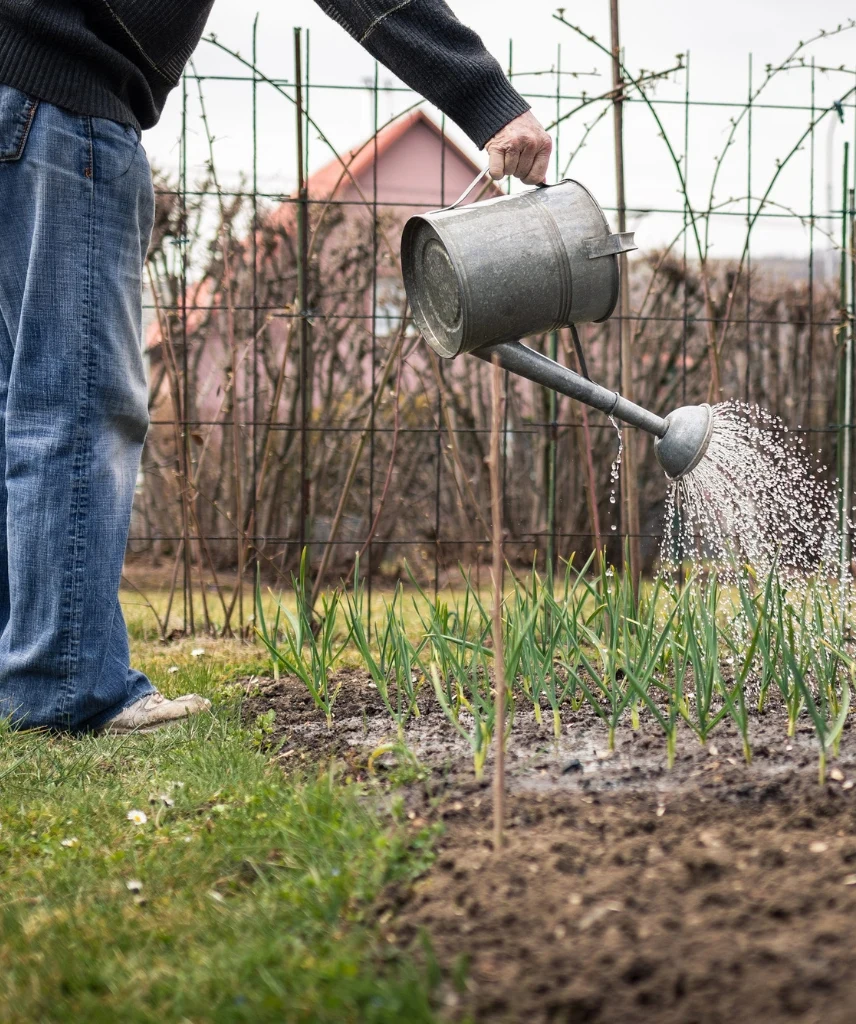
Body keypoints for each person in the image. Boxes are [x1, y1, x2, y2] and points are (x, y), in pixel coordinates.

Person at [0, 2, 551, 733]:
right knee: (75, 400)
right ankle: (61, 686)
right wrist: (487, 99)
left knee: (20, 402)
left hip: (20, 85)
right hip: (63, 94)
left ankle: (27, 672)